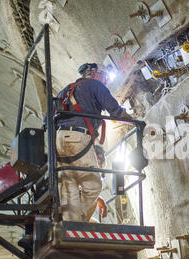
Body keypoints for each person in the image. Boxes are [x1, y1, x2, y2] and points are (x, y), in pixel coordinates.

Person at [54, 63, 131, 222]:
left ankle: (71, 226)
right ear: (93, 73)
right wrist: (136, 122)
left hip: (58, 140)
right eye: (102, 75)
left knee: (70, 185)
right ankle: (81, 224)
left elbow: (47, 118)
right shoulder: (95, 85)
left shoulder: (65, 90)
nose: (105, 79)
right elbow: (115, 110)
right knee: (94, 185)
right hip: (78, 137)